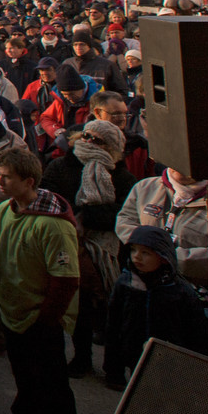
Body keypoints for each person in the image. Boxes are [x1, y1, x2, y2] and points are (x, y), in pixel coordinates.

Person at [0, 146, 81, 414]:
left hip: (39, 317)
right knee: (24, 375)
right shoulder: (4, 209)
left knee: (51, 381)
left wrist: (46, 319)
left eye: (7, 178)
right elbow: (0, 243)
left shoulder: (53, 225)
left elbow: (65, 278)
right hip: (12, 310)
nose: (0, 183)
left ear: (29, 182)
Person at [40, 120, 134, 376]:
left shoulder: (122, 175)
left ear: (113, 147)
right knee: (78, 306)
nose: (89, 142)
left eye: (98, 140)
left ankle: (114, 366)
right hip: (70, 244)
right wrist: (74, 219)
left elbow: (124, 213)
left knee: (110, 308)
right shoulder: (60, 166)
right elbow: (50, 198)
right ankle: (82, 358)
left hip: (109, 251)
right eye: (86, 135)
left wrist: (88, 217)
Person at [103, 226, 208, 390]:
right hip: (134, 355)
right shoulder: (126, 283)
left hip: (170, 361)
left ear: (162, 257)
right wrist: (113, 369)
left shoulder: (179, 290)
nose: (137, 257)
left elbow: (195, 331)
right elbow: (113, 325)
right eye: (133, 250)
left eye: (145, 252)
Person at [115, 167, 208, 287]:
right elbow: (125, 220)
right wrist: (146, 249)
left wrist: (170, 258)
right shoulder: (144, 188)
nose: (180, 166)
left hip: (194, 292)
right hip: (141, 283)